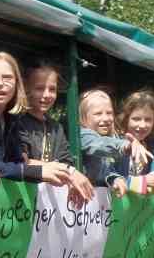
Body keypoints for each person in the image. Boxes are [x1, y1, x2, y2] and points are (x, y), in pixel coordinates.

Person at [0, 51, 94, 203]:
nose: (0, 83)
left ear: (16, 84)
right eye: (39, 88)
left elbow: (18, 161)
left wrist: (66, 174)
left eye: (52, 89)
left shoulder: (12, 120)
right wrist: (50, 171)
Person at [11, 61, 94, 196]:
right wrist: (68, 171)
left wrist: (70, 176)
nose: (47, 95)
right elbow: (22, 161)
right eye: (39, 88)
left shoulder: (56, 128)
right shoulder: (16, 121)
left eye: (52, 89)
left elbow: (66, 161)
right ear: (26, 88)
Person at [77, 88, 151, 195]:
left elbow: (107, 172)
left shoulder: (112, 137)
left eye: (109, 113)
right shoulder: (83, 135)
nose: (106, 118)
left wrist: (115, 179)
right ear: (84, 117)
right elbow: (99, 144)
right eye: (98, 114)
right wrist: (125, 146)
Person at [111, 89, 154, 195]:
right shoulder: (116, 144)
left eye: (148, 120)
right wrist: (144, 181)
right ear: (126, 119)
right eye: (136, 119)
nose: (142, 125)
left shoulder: (150, 146)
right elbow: (110, 182)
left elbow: (149, 182)